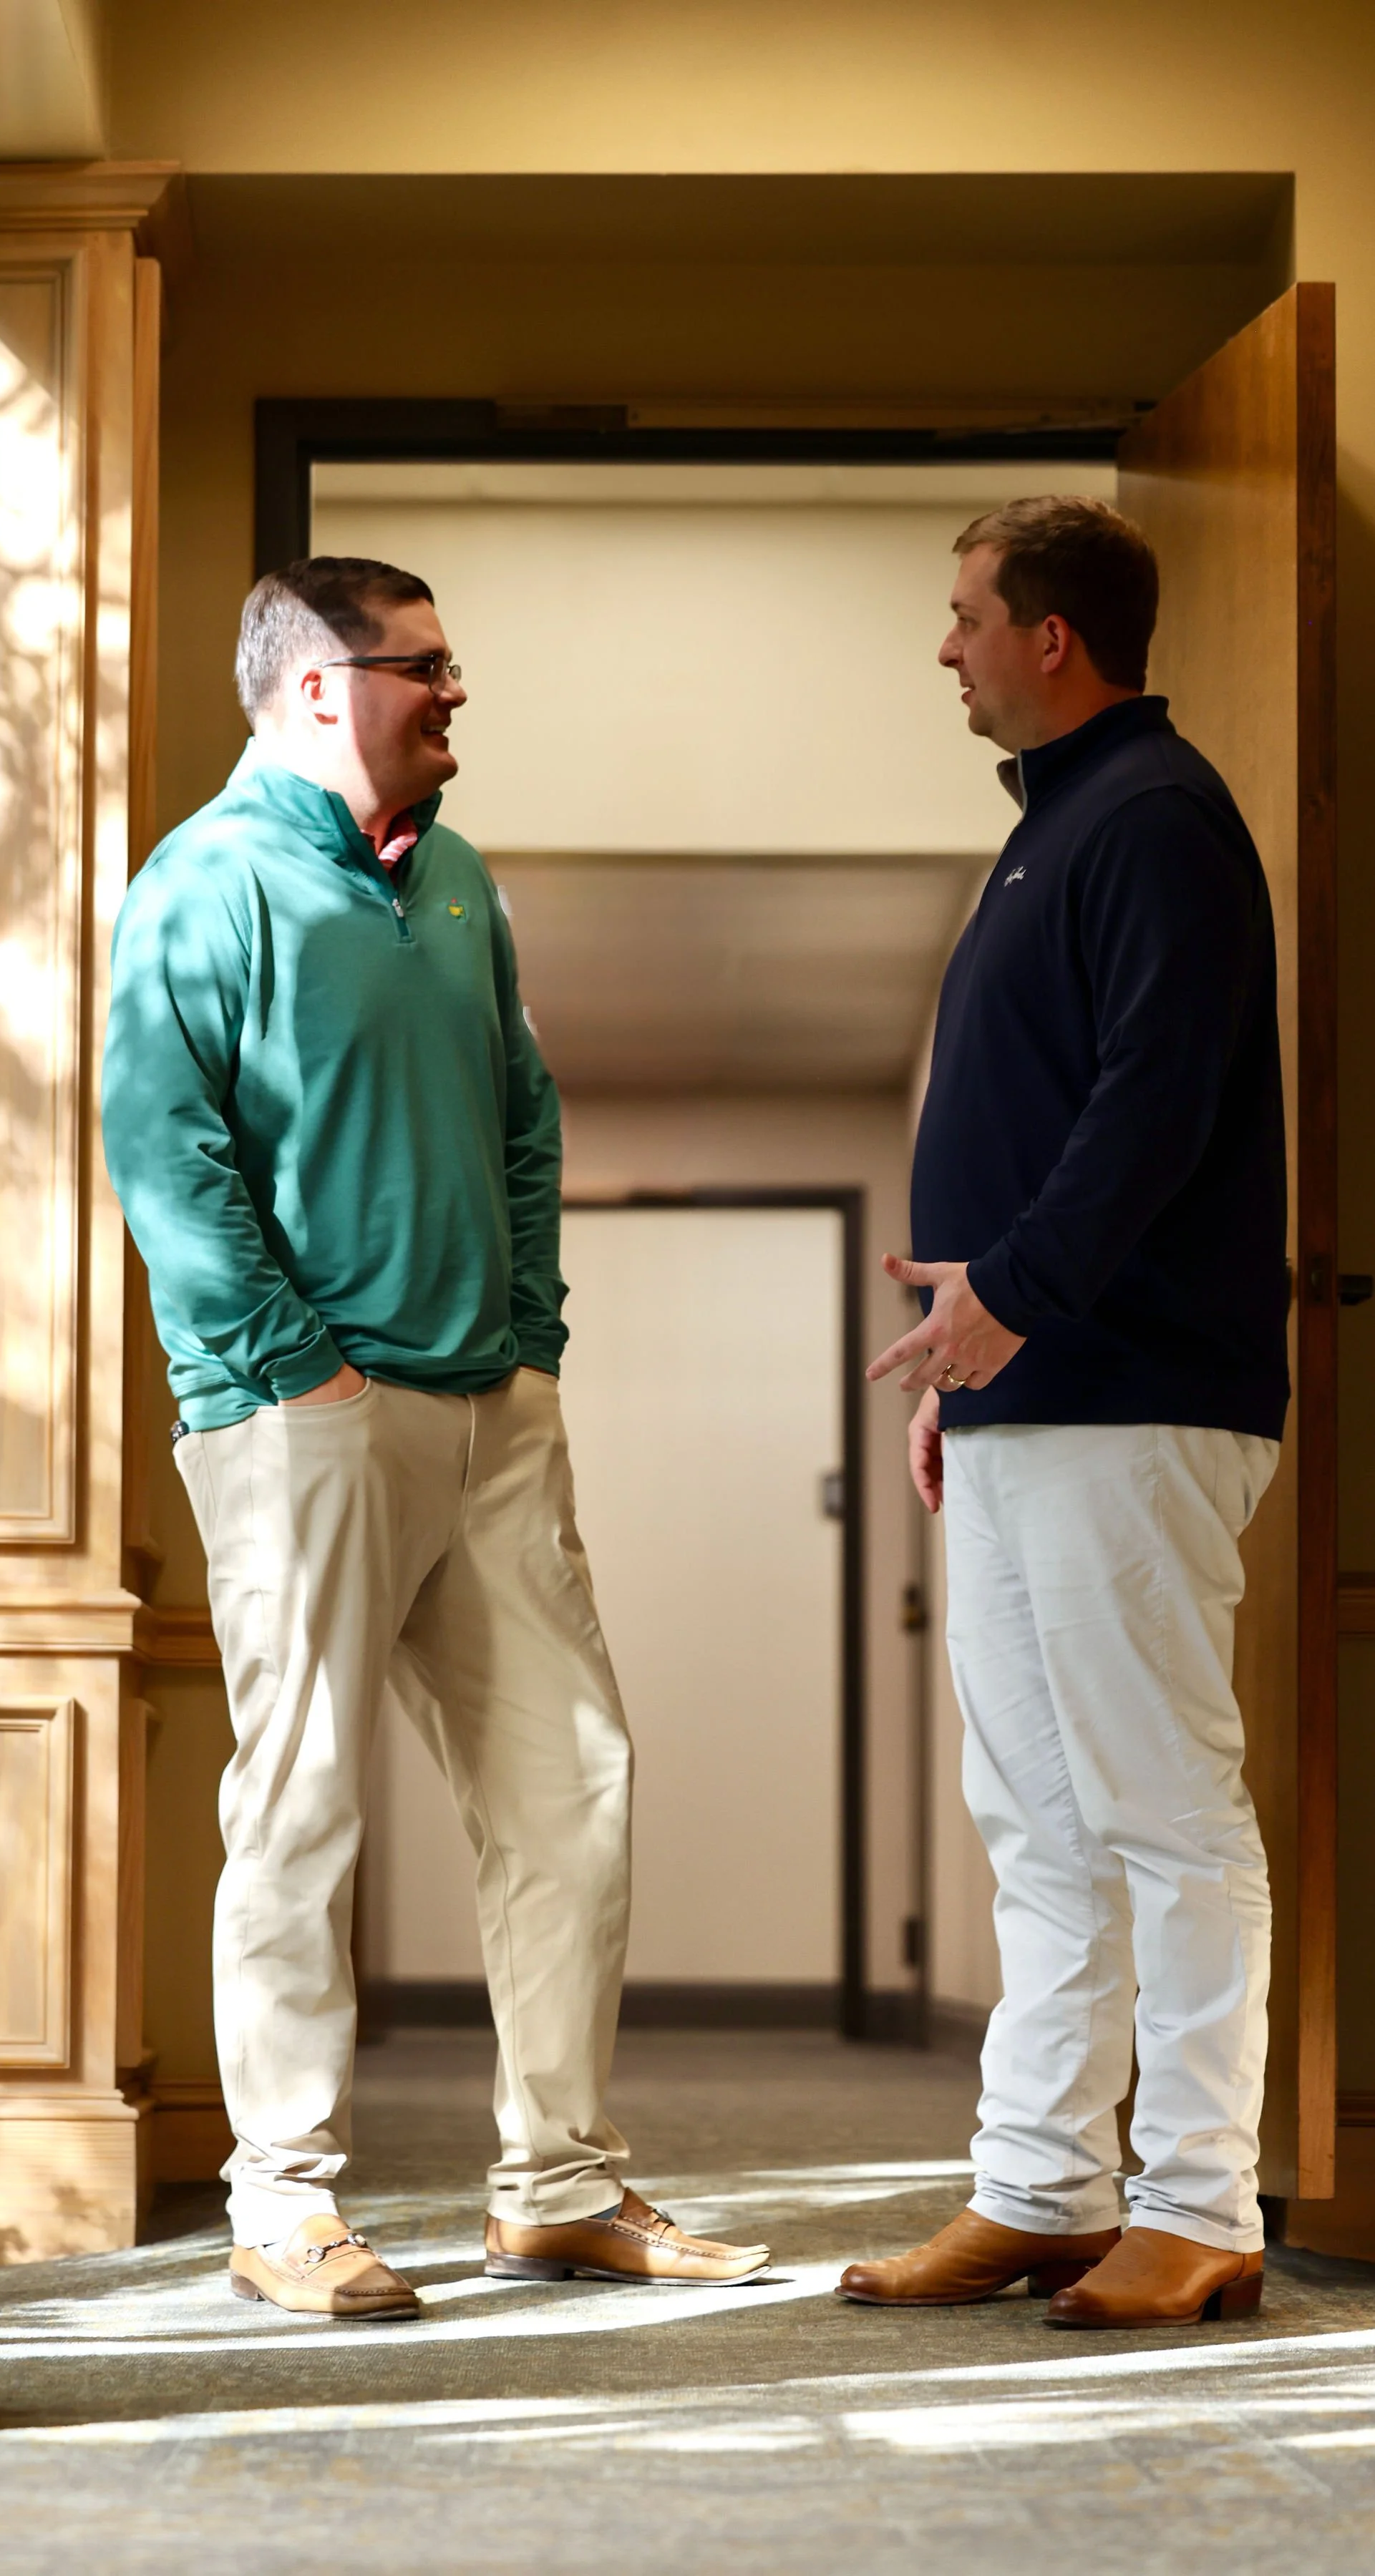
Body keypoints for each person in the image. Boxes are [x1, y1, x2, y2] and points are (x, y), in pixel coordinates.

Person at [102, 556, 767, 2316]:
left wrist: (529, 1343)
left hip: (492, 1412)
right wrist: (291, 1370)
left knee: (574, 1790)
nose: (455, 698)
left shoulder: (458, 880)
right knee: (304, 1807)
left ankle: (558, 2185)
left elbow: (524, 1116)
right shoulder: (208, 881)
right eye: (428, 671)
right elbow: (164, 1153)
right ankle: (285, 2207)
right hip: (306, 1419)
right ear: (319, 688)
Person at [838, 497, 1287, 2331]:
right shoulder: (1053, 833)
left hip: (1133, 1393)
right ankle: (1039, 2186)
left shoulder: (1155, 818)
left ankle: (1199, 2202)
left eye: (963, 617)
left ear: (1052, 635)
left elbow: (1156, 1104)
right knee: (1035, 1818)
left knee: (1164, 1812)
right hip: (1036, 1404)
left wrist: (1007, 1300)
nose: (944, 649)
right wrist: (971, 1360)